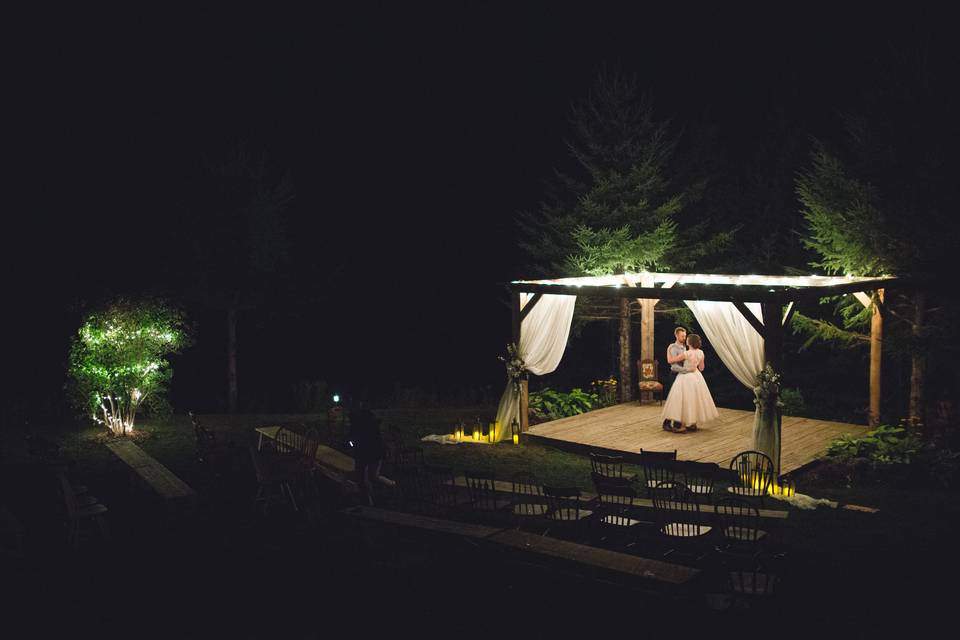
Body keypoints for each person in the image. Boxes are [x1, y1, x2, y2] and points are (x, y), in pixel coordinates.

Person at [660, 333, 719, 433]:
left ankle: (681, 426)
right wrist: (694, 365)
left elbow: (670, 361)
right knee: (694, 399)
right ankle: (692, 423)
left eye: (687, 339)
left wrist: (668, 351)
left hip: (686, 377)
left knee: (683, 400)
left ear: (689, 342)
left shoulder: (687, 353)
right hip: (696, 377)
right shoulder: (701, 353)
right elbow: (701, 368)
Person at [348, 402, 389, 505]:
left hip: (373, 451)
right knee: (361, 478)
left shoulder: (367, 420)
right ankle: (368, 501)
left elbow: (373, 439)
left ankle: (391, 486)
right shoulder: (357, 420)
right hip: (363, 451)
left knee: (372, 476)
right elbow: (351, 435)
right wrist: (350, 443)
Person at [662, 326, 688, 432]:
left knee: (681, 401)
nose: (684, 338)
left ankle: (678, 423)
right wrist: (686, 370)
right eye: (682, 336)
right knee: (674, 400)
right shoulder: (673, 347)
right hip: (675, 375)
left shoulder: (686, 347)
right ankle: (666, 423)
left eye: (685, 336)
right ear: (676, 335)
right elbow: (674, 365)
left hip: (682, 376)